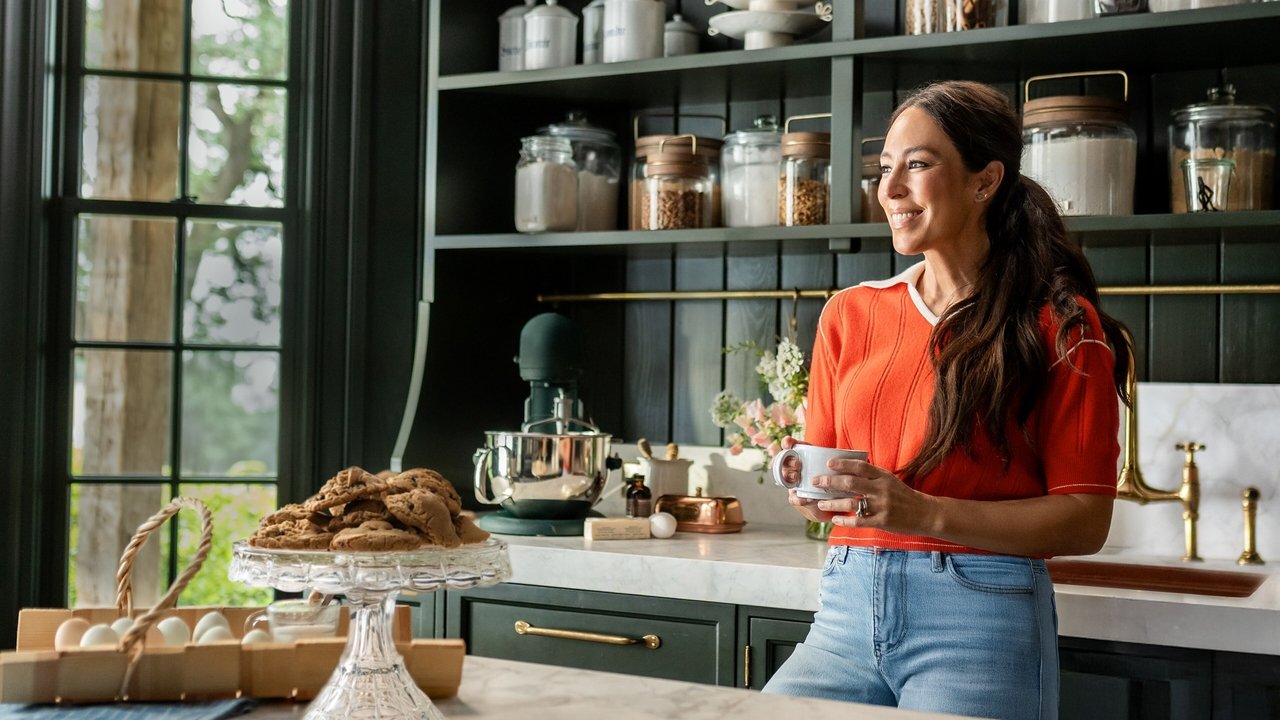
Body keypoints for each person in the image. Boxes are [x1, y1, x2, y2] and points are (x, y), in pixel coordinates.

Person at [761, 80, 1131, 720]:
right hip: (846, 608)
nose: (891, 189)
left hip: (979, 619)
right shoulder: (849, 314)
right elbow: (827, 472)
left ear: (985, 181)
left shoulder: (1062, 328)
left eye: (918, 164)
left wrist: (922, 512)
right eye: (885, 169)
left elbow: (1085, 520)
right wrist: (804, 480)